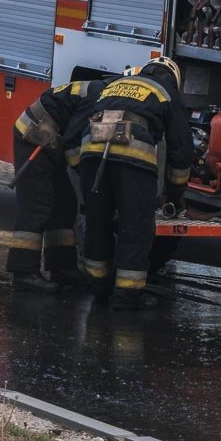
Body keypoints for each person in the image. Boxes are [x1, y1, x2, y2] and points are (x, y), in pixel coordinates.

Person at [76, 58, 194, 311]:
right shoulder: (166, 93)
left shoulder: (114, 85)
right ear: (174, 80)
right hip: (133, 159)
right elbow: (181, 150)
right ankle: (127, 296)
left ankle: (98, 287)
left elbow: (80, 119)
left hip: (92, 153)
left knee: (98, 221)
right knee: (135, 225)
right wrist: (175, 192)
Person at [7, 78, 106, 293]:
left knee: (64, 203)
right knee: (37, 204)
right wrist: (83, 173)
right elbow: (72, 140)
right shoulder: (99, 96)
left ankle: (62, 268)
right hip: (34, 137)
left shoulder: (103, 91)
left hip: (50, 141)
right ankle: (23, 273)